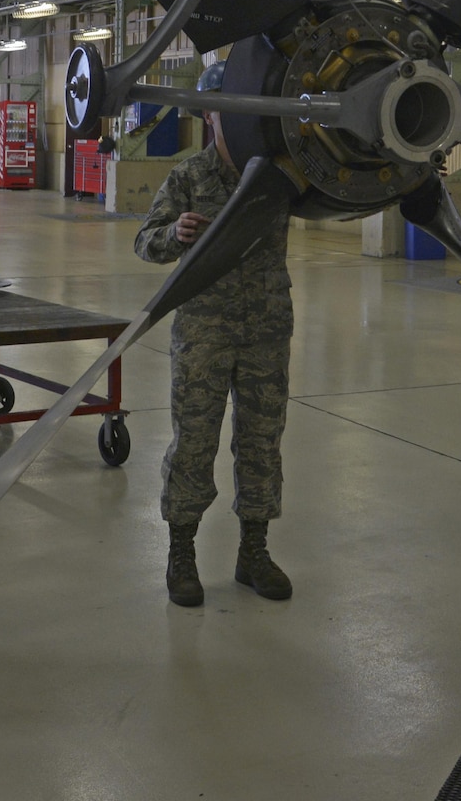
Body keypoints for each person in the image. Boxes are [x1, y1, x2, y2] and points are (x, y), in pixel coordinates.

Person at [135, 59, 294, 607]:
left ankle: (254, 551)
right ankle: (182, 553)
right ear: (210, 115)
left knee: (261, 441)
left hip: (267, 327)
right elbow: (145, 240)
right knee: (194, 441)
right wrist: (174, 234)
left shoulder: (278, 176)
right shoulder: (188, 177)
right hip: (204, 328)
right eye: (226, 107)